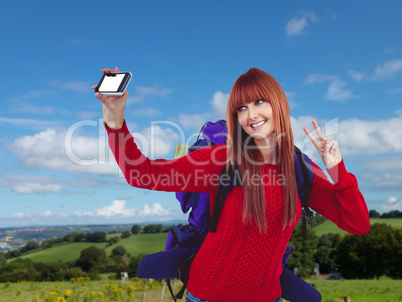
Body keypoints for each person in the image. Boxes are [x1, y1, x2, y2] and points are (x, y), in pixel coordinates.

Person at [94, 67, 370, 302]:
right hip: (207, 295)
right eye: (242, 107)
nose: (251, 115)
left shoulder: (299, 168)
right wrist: (115, 121)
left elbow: (357, 223)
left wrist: (337, 170)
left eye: (260, 102)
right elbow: (143, 174)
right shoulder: (221, 160)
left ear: (278, 103)